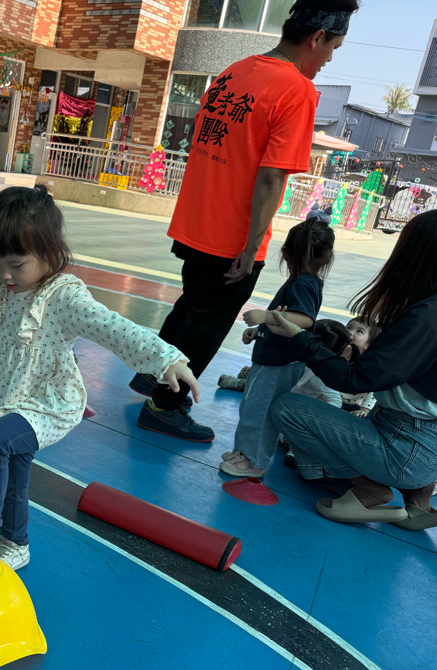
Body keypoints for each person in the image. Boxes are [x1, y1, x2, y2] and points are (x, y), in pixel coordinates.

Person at [0, 185, 197, 569]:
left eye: (16, 264)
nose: (4, 273)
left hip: (45, 399)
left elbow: (113, 328)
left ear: (50, 253)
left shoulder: (63, 296)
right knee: (13, 470)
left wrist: (166, 360)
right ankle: (15, 542)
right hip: (6, 392)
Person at [129, 0, 359, 442]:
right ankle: (164, 406)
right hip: (231, 236)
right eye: (333, 48)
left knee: (191, 305)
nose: (330, 59)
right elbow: (271, 176)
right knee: (207, 325)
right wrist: (251, 246)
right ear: (316, 38)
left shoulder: (235, 72)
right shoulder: (296, 90)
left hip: (195, 221)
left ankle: (152, 374)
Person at [267, 210, 437, 529]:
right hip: (425, 448)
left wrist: (300, 337)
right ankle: (420, 502)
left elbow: (356, 379)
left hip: (405, 448)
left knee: (287, 408)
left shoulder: (426, 317)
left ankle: (368, 489)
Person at [219, 214, 334, 478]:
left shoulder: (304, 283)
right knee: (251, 406)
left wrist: (266, 316)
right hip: (271, 357)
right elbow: (285, 316)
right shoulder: (300, 281)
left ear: (286, 252)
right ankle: (244, 451)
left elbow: (304, 319)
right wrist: (259, 330)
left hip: (280, 362)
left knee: (259, 411)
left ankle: (254, 461)